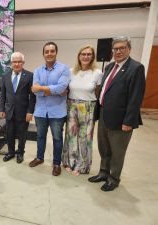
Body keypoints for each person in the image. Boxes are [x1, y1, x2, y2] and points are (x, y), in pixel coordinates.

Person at [88, 36, 146, 191]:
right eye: (116, 48)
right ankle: (103, 172)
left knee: (117, 151)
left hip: (121, 120)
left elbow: (136, 98)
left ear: (129, 49)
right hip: (104, 115)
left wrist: (129, 121)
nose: (118, 51)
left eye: (122, 48)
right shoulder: (109, 67)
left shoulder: (136, 68)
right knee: (104, 148)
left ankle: (114, 179)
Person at [29, 42, 70, 176]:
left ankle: (56, 163)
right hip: (40, 110)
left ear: (56, 53)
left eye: (52, 51)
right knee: (40, 136)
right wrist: (54, 90)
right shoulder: (37, 70)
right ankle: (39, 158)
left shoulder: (64, 69)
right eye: (47, 51)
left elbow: (61, 88)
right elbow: (35, 91)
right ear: (43, 54)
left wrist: (43, 88)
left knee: (57, 138)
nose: (49, 54)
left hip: (57, 112)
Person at [62, 45, 103, 176]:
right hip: (72, 105)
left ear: (92, 57)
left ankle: (82, 165)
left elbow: (98, 92)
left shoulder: (97, 73)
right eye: (83, 54)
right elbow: (67, 90)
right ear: (79, 56)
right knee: (71, 136)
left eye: (89, 54)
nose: (86, 56)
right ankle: (69, 162)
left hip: (88, 108)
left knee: (85, 137)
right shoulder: (71, 71)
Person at [0, 52, 36, 163]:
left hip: (23, 111)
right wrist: (1, 108)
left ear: (23, 63)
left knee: (22, 134)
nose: (17, 64)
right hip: (9, 110)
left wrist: (30, 112)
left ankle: (20, 153)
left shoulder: (29, 76)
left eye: (19, 61)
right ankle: (10, 152)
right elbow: (3, 94)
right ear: (11, 63)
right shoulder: (5, 76)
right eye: (14, 62)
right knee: (9, 133)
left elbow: (32, 96)